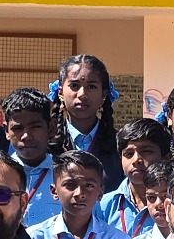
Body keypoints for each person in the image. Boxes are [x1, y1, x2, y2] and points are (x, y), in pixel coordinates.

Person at [53, 53, 123, 186]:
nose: (82, 94)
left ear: (103, 94)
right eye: (74, 86)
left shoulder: (120, 145)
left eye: (91, 87)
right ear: (60, 92)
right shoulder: (47, 145)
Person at [97, 117, 172, 239]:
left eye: (146, 152)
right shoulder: (103, 206)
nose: (136, 160)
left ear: (166, 158)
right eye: (129, 154)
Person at [0, 86, 64, 226]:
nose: (26, 136)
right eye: (17, 128)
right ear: (6, 131)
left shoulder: (65, 175)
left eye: (35, 127)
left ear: (51, 128)